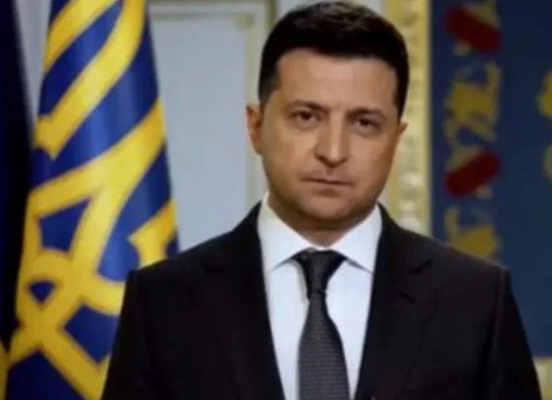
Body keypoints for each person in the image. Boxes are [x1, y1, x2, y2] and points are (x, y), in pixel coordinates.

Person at [102, 2, 542, 400]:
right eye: (306, 117)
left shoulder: (476, 302)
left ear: (396, 139)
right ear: (256, 126)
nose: (333, 151)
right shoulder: (164, 302)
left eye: (364, 123)